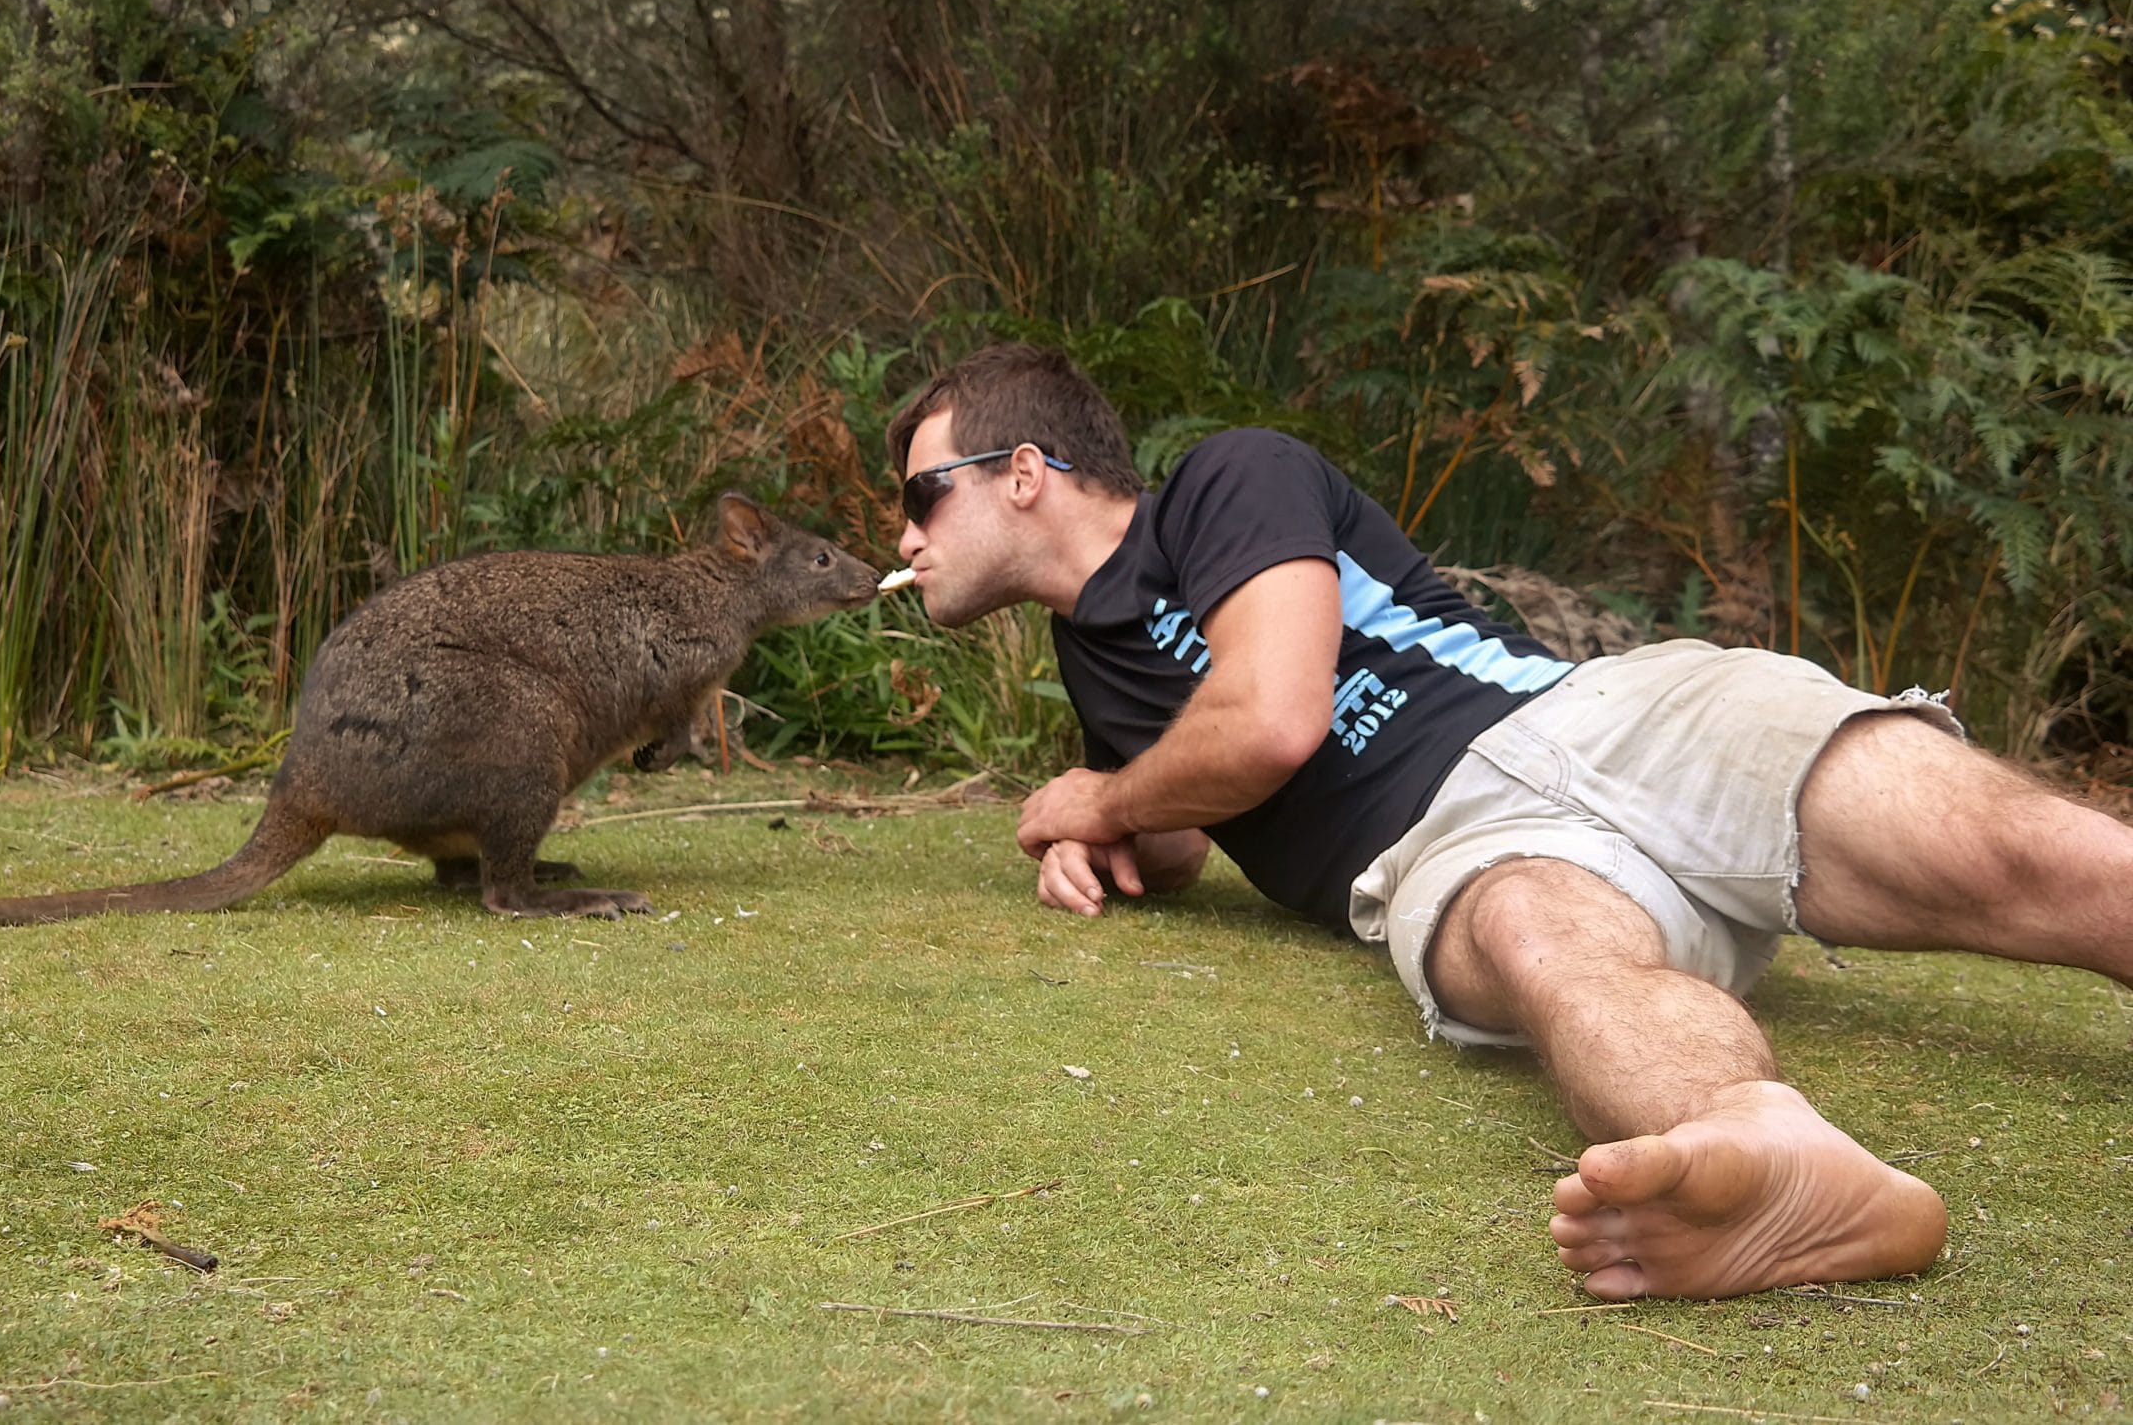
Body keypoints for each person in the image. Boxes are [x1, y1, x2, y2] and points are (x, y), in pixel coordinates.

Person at [885, 341, 2133, 1302]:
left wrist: (1098, 794)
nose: (903, 537)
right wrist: (1104, 837)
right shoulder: (1087, 656)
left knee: (2006, 850)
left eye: (919, 496)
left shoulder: (1228, 476)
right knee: (1550, 949)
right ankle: (1775, 1153)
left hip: (1598, 715)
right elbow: (1187, 824)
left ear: (1024, 474)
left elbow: (1269, 723)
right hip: (1448, 850)